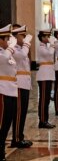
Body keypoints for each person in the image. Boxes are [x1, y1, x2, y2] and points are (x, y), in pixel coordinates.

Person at [11, 24, 33, 148]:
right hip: (18, 84)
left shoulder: (20, 47)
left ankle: (19, 136)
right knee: (18, 112)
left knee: (22, 112)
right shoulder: (13, 47)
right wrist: (26, 44)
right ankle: (17, 139)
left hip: (24, 83)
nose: (24, 37)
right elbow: (21, 57)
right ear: (15, 36)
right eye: (22, 35)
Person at [0, 24, 18, 160]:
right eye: (6, 39)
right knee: (1, 122)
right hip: (2, 91)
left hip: (11, 90)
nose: (8, 42)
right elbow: (4, 59)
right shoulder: (3, 53)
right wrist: (11, 47)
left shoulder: (6, 52)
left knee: (7, 122)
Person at [36, 29, 56, 129]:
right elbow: (50, 54)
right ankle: (42, 121)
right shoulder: (41, 47)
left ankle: (45, 120)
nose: (48, 38)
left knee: (46, 99)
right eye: (47, 37)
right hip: (43, 75)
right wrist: (52, 44)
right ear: (42, 38)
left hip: (48, 74)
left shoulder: (45, 47)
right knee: (43, 99)